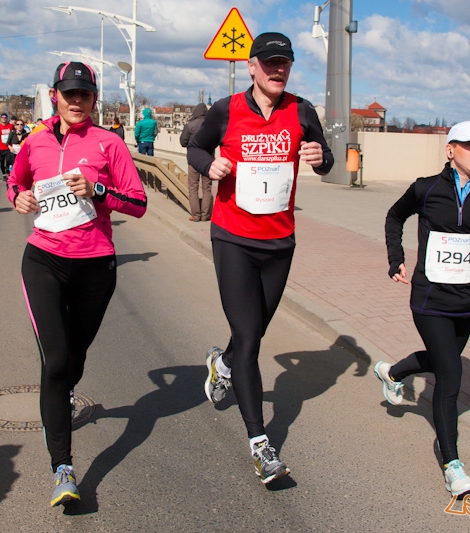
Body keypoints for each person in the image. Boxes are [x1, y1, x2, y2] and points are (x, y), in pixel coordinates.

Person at [187, 32, 333, 484]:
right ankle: (259, 443)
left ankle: (223, 363)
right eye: (268, 63)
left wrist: (319, 157)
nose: (276, 70)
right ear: (251, 67)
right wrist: (208, 165)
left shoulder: (301, 110)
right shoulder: (226, 110)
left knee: (254, 330)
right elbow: (195, 147)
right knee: (250, 336)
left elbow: (327, 159)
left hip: (279, 242)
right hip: (232, 237)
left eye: (284, 63)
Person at [6, 61, 147, 507]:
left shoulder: (109, 144)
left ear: (93, 100)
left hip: (95, 266)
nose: (75, 101)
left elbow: (139, 203)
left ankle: (63, 393)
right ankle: (62, 468)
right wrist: (19, 198)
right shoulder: (35, 141)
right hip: (44, 260)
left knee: (76, 357)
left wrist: (98, 192)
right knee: (55, 359)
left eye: (84, 95)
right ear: (55, 96)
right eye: (68, 93)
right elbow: (15, 183)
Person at [375, 121, 470, 498]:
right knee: (451, 374)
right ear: (450, 150)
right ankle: (452, 464)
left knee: (446, 360)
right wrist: (396, 259)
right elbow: (394, 216)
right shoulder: (426, 188)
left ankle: (393, 372)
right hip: (428, 299)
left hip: (467, 301)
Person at [180, 103, 211, 222]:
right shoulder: (211, 125)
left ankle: (196, 215)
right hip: (208, 160)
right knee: (207, 188)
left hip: (193, 160)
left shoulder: (190, 125)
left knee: (193, 187)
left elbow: (183, 142)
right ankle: (205, 215)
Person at [0, 113, 14, 181]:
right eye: (2, 117)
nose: (4, 118)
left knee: (9, 161)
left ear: (7, 118)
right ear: (0, 119)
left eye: (5, 117)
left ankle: (8, 171)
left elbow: (16, 131)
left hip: (8, 147)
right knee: (1, 162)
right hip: (0, 148)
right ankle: (4, 174)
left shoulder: (10, 126)